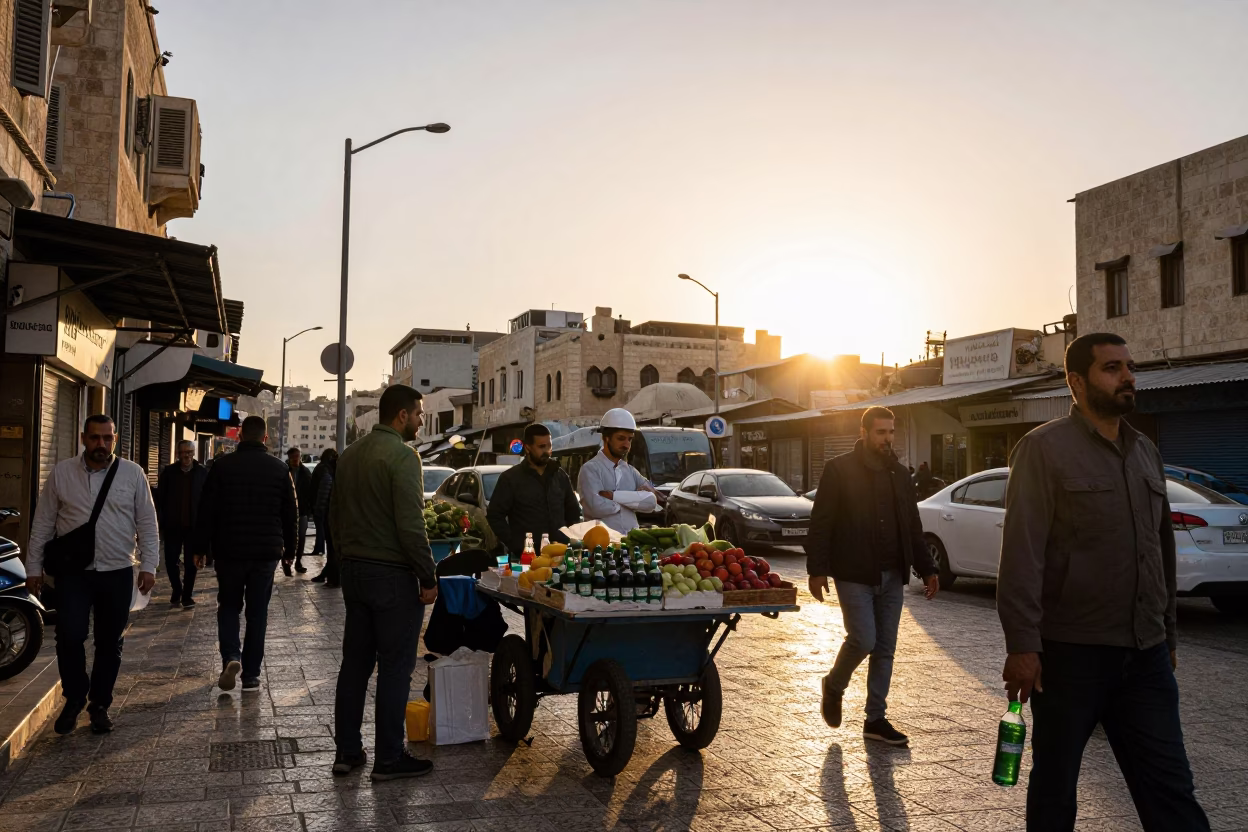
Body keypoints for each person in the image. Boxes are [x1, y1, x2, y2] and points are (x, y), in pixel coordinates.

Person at [997, 333, 1208, 832]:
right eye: (1112, 368)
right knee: (1055, 789)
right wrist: (1023, 645)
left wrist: (1168, 632)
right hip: (1071, 657)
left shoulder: (1145, 452)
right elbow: (1022, 554)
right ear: (1076, 381)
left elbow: (1161, 550)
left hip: (1146, 656)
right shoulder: (1043, 450)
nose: (1128, 376)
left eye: (1129, 367)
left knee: (1171, 790)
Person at [805, 406, 940, 747]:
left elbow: (912, 526)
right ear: (864, 433)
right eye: (881, 432)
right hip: (853, 573)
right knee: (863, 639)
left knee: (885, 648)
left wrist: (928, 568)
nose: (887, 438)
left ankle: (875, 719)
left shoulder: (899, 473)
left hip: (892, 575)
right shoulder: (839, 470)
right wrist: (817, 569)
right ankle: (834, 685)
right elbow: (821, 522)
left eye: (891, 432)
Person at [331, 385, 438, 781]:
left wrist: (344, 559)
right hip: (392, 578)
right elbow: (412, 527)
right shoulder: (403, 456)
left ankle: (347, 751)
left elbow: (334, 517)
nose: (422, 420)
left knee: (355, 665)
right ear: (401, 416)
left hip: (355, 574)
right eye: (419, 413)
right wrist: (428, 575)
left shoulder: (350, 455)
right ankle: (389, 757)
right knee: (395, 668)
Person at [27, 415, 158, 735]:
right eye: (95, 438)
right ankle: (74, 696)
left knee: (109, 642)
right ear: (84, 438)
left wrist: (149, 565)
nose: (102, 444)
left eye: (108, 438)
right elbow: (43, 522)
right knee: (69, 636)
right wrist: (33, 568)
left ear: (115, 439)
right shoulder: (62, 473)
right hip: (74, 574)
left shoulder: (132, 474)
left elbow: (147, 522)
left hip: (117, 571)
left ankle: (99, 705)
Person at [194, 416, 297, 693]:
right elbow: (291, 514)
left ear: (239, 436)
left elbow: (207, 510)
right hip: (265, 554)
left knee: (228, 606)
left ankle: (231, 656)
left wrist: (199, 548)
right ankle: (250, 674)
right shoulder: (280, 469)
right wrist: (291, 551)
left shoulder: (222, 467)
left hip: (229, 550)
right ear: (265, 438)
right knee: (257, 613)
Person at [487, 423, 582, 558]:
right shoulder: (510, 479)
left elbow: (573, 512)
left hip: (560, 555)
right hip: (526, 557)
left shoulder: (560, 476)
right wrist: (515, 544)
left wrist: (569, 539)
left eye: (549, 445)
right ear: (527, 448)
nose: (547, 451)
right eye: (541, 446)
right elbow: (495, 515)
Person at [577, 408, 661, 535]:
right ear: (606, 438)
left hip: (632, 543)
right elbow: (596, 507)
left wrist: (613, 496)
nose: (626, 445)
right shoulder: (590, 469)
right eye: (621, 438)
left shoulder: (631, 471)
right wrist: (632, 501)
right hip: (603, 546)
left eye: (630, 439)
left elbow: (651, 501)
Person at [156, 440, 208, 609]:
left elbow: (208, 500)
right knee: (170, 561)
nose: (186, 456)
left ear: (194, 454)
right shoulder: (169, 473)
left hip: (194, 526)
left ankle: (187, 595)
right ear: (177, 454)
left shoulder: (202, 473)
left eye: (189, 452)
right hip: (173, 525)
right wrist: (161, 520)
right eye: (183, 452)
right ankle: (176, 589)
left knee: (191, 562)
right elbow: (160, 499)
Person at [311, 448, 339, 587]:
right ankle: (328, 575)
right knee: (333, 547)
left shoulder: (323, 469)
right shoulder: (333, 469)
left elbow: (324, 488)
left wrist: (319, 509)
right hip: (333, 512)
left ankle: (333, 577)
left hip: (328, 512)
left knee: (332, 547)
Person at [286, 447, 313, 576]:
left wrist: (309, 509)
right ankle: (286, 562)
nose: (296, 460)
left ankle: (298, 562)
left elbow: (310, 491)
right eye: (294, 457)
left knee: (301, 537)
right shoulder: (284, 471)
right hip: (287, 510)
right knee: (287, 537)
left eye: (298, 457)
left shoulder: (305, 472)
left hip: (302, 510)